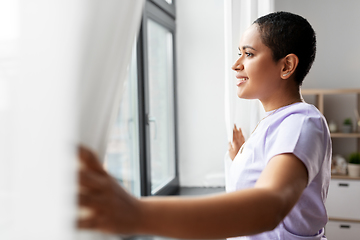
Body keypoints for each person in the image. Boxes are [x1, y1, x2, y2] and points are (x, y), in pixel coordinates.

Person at [78, 11, 331, 240]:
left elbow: (270, 206)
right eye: (239, 53)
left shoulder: (302, 122)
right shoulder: (276, 122)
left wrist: (136, 213)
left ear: (286, 66)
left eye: (249, 54)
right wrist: (241, 157)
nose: (236, 64)